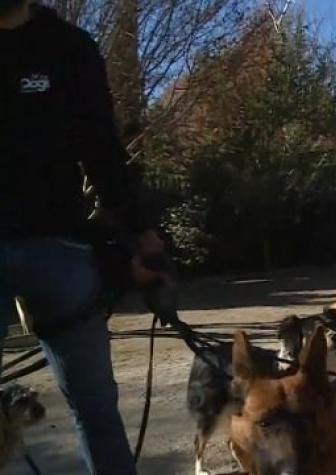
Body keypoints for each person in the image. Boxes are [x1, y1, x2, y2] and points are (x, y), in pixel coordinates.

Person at [1, 1, 164, 472]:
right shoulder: (70, 47)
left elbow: (101, 151)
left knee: (96, 413)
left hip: (61, 248)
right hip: (58, 251)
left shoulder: (69, 49)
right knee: (96, 415)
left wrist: (142, 234)